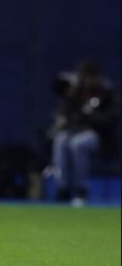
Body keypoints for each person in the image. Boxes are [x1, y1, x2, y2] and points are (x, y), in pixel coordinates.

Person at [48, 60, 118, 206]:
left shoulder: (107, 94)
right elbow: (65, 113)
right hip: (75, 131)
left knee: (78, 144)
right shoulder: (75, 93)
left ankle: (81, 189)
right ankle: (64, 188)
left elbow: (111, 120)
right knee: (61, 140)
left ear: (96, 77)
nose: (86, 80)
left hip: (99, 137)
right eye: (83, 77)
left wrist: (90, 117)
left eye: (89, 77)